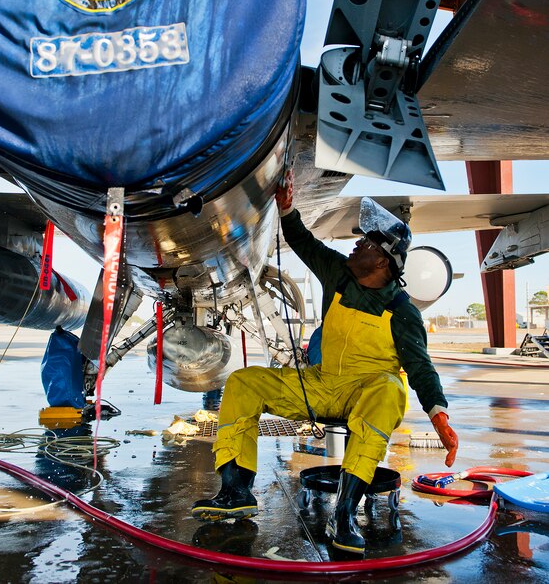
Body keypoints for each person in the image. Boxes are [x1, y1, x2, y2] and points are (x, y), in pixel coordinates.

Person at [192, 173, 458, 555]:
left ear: (382, 260)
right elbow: (303, 242)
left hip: (366, 393)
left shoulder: (402, 312)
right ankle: (236, 490)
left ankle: (345, 513)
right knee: (243, 382)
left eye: (364, 243)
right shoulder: (339, 275)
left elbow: (420, 368)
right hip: (320, 383)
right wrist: (286, 207)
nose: (355, 245)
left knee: (389, 388)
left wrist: (439, 417)